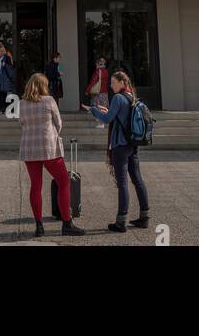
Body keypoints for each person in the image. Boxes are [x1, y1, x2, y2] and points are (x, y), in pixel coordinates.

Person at [18, 73, 85, 237]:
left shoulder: (22, 103)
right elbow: (59, 123)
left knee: (36, 186)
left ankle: (39, 226)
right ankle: (67, 223)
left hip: (29, 148)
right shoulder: (49, 101)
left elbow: (22, 123)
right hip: (49, 148)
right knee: (63, 182)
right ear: (43, 86)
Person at [84, 71, 150, 232]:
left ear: (121, 82)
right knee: (138, 180)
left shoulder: (118, 98)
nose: (111, 86)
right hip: (132, 144)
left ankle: (121, 222)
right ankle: (144, 217)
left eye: (113, 83)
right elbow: (118, 116)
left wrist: (93, 110)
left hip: (120, 145)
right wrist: (107, 110)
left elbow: (107, 120)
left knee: (122, 184)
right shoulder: (131, 96)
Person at [85, 57, 110, 128]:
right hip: (104, 92)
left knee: (97, 107)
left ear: (98, 64)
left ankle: (100, 123)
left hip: (98, 92)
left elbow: (93, 82)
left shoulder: (98, 71)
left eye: (96, 64)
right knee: (103, 108)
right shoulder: (106, 71)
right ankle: (102, 121)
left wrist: (88, 90)